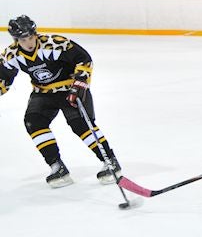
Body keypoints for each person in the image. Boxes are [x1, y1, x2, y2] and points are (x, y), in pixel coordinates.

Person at [0, 15, 122, 188]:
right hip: (42, 93)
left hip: (69, 89)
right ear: (16, 39)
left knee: (80, 124)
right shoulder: (11, 55)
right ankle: (57, 167)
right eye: (22, 39)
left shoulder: (55, 43)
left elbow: (83, 59)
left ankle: (110, 161)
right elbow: (3, 78)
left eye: (30, 37)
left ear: (35, 33)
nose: (28, 42)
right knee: (33, 123)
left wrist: (79, 84)